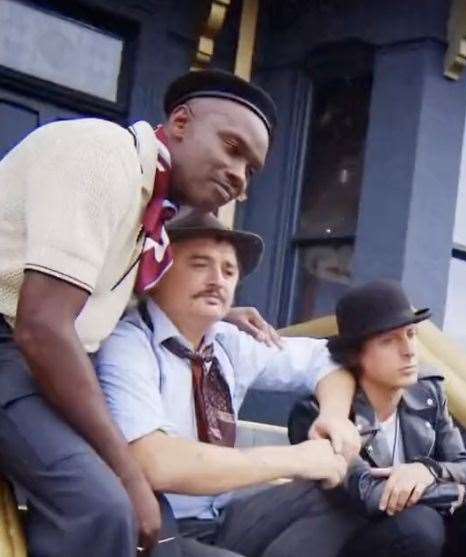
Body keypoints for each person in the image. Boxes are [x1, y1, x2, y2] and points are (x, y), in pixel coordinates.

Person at [0, 68, 295, 556]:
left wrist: (217, 316)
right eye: (231, 148)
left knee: (162, 526)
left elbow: (95, 304)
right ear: (180, 123)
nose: (239, 176)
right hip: (15, 346)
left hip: (37, 359)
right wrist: (128, 471)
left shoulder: (149, 213)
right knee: (104, 508)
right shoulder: (102, 155)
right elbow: (43, 325)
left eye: (252, 170)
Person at [95, 210, 360, 557]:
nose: (217, 279)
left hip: (219, 518)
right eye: (199, 264)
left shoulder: (228, 342)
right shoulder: (128, 343)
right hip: (151, 526)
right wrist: (295, 458)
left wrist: (335, 417)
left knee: (339, 495)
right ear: (157, 272)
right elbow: (156, 462)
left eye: (229, 270)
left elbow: (328, 358)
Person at [288, 279, 466, 557]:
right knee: (422, 525)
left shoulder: (428, 392)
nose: (409, 350)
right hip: (345, 539)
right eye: (389, 341)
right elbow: (369, 494)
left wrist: (428, 470)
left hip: (421, 533)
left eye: (411, 334)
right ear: (355, 355)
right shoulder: (318, 414)